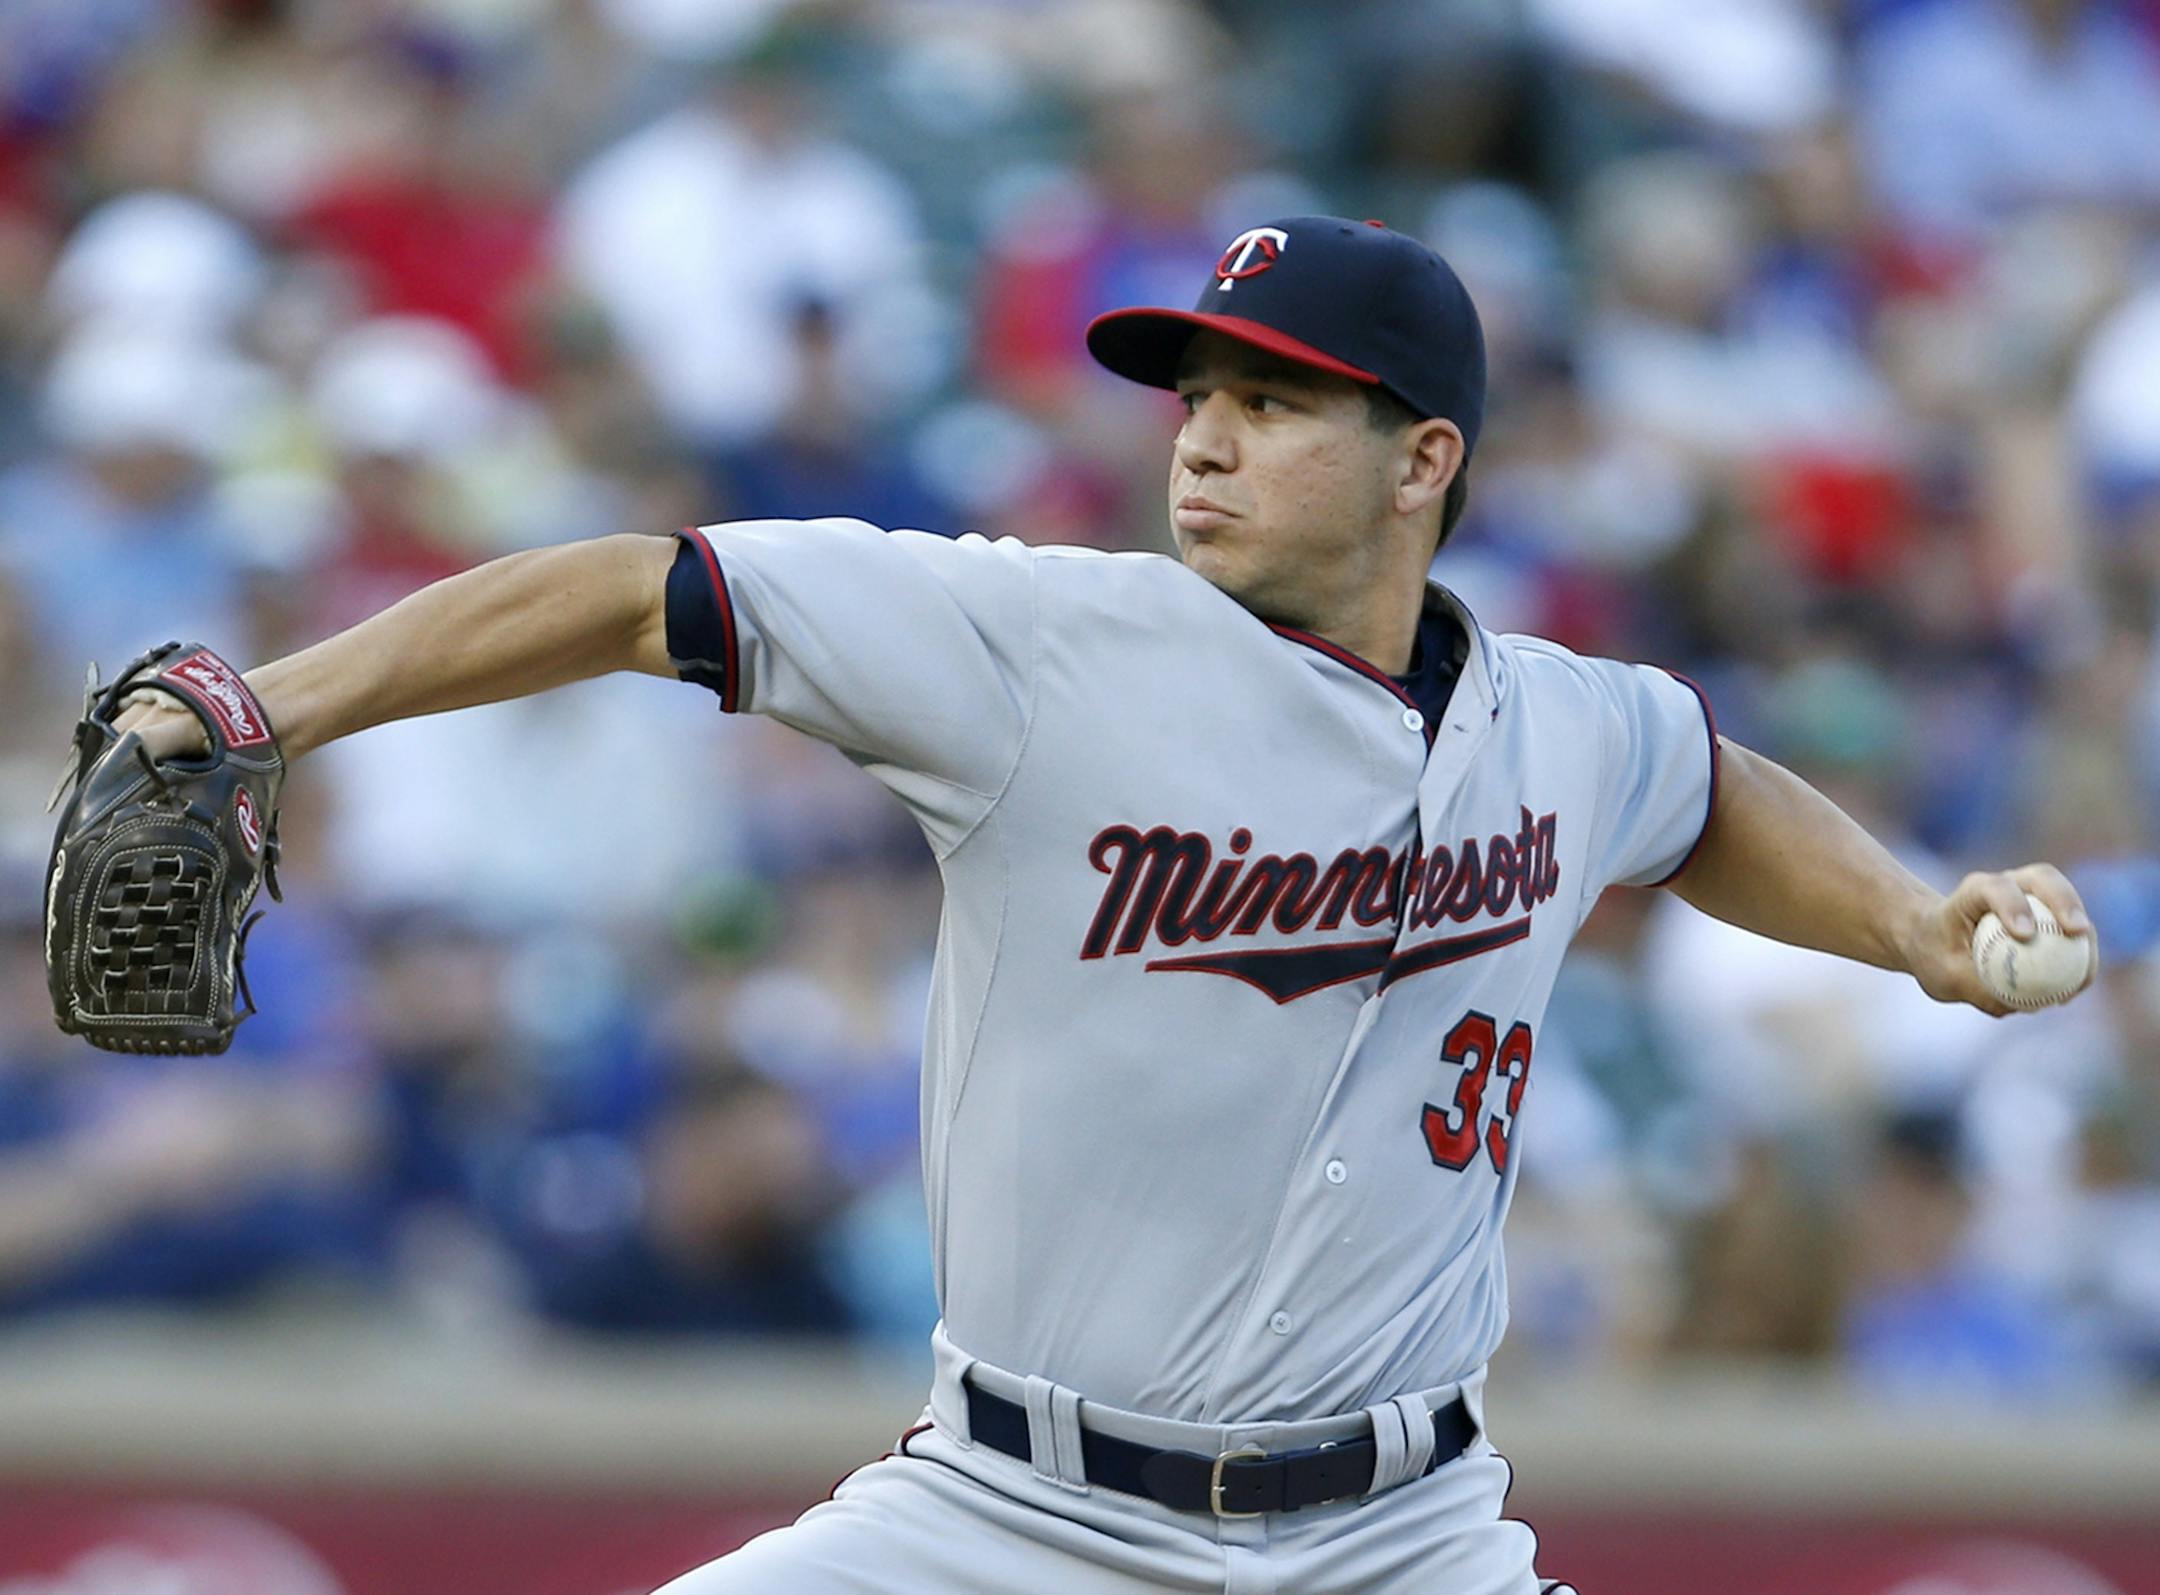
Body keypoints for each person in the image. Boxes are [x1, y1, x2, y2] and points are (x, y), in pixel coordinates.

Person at [112, 217, 2097, 1594]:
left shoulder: (1564, 723)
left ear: (1425, 461)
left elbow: (1702, 785)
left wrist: (1914, 922)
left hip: (1402, 1538)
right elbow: (637, 588)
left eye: (1277, 399)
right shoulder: (1033, 641)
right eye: (1196, 391)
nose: (1210, 432)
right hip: (1014, 1520)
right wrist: (274, 703)